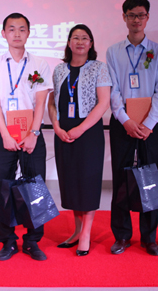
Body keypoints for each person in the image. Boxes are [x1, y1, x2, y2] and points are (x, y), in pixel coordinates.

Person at [0, 13, 53, 261]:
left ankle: (32, 241)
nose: (16, 34)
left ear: (28, 33)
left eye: (22, 29)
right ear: (3, 33)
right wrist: (5, 135)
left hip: (31, 134)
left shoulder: (39, 63)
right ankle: (8, 241)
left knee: (36, 188)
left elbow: (41, 101)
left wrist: (34, 133)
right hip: (4, 135)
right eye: (11, 29)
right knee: (3, 189)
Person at [106, 0, 158, 256]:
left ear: (147, 17)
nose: (136, 20)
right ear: (124, 17)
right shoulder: (113, 52)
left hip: (149, 126)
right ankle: (122, 235)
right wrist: (126, 120)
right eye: (131, 15)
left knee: (149, 179)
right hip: (123, 123)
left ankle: (149, 237)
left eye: (141, 15)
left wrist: (149, 123)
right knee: (121, 178)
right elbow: (112, 90)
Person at [48, 24, 111, 257]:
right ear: (69, 43)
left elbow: (103, 103)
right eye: (76, 37)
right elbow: (52, 102)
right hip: (63, 133)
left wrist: (81, 129)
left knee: (88, 181)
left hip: (88, 134)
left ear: (91, 43)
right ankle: (76, 230)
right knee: (71, 181)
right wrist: (56, 126)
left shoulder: (99, 68)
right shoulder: (59, 69)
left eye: (85, 38)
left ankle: (86, 233)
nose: (80, 42)